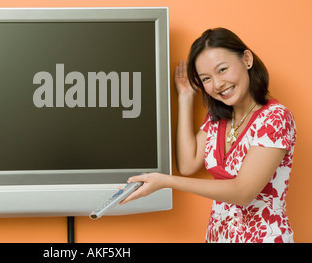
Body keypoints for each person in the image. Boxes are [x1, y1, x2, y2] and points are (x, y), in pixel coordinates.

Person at [121, 28, 297, 243]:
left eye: (222, 70)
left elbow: (243, 192)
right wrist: (186, 97)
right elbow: (187, 164)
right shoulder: (219, 118)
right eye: (206, 79)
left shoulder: (275, 118)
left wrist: (165, 181)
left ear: (247, 59)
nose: (217, 85)